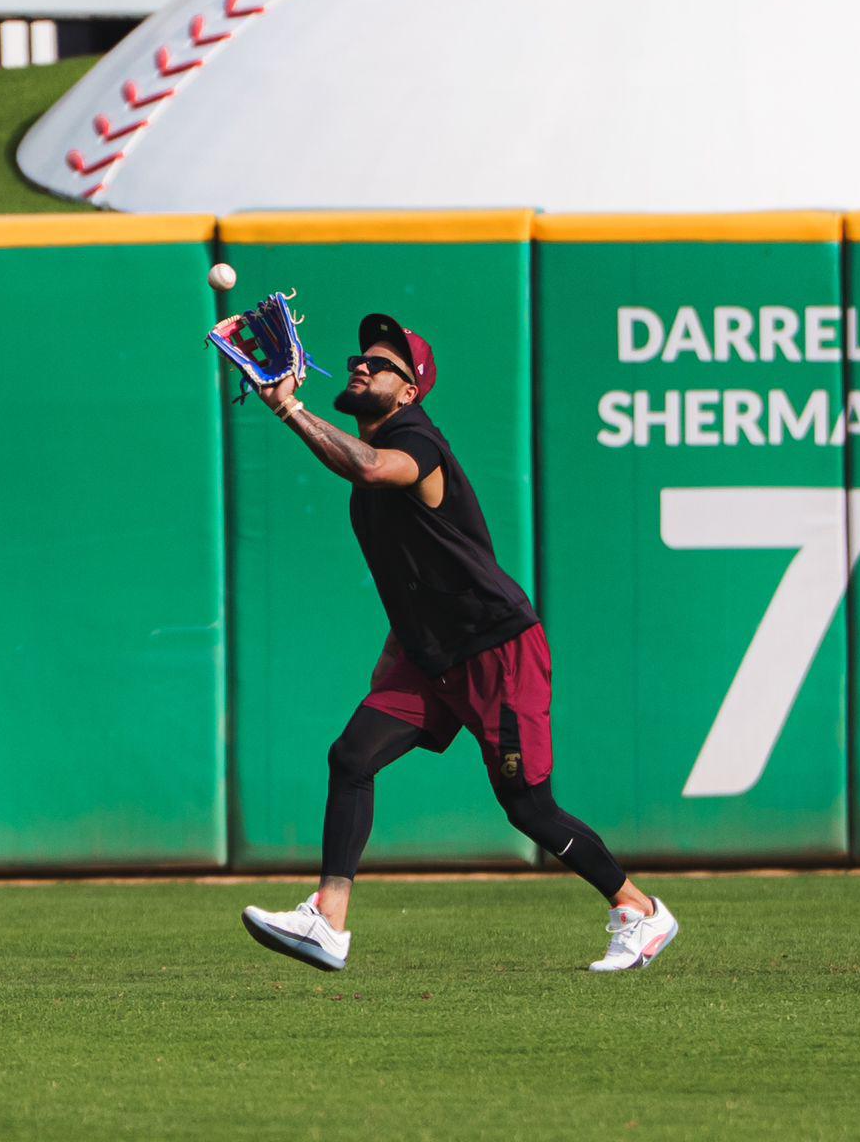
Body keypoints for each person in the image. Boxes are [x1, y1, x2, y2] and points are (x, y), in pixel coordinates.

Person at [241, 313, 678, 975]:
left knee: (529, 808)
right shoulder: (369, 488)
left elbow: (372, 467)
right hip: (431, 658)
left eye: (382, 364)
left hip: (496, 648)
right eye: (360, 357)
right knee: (352, 757)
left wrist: (289, 408)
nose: (362, 365)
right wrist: (398, 654)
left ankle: (639, 910)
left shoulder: (417, 439)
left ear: (409, 391)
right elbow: (414, 574)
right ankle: (327, 922)